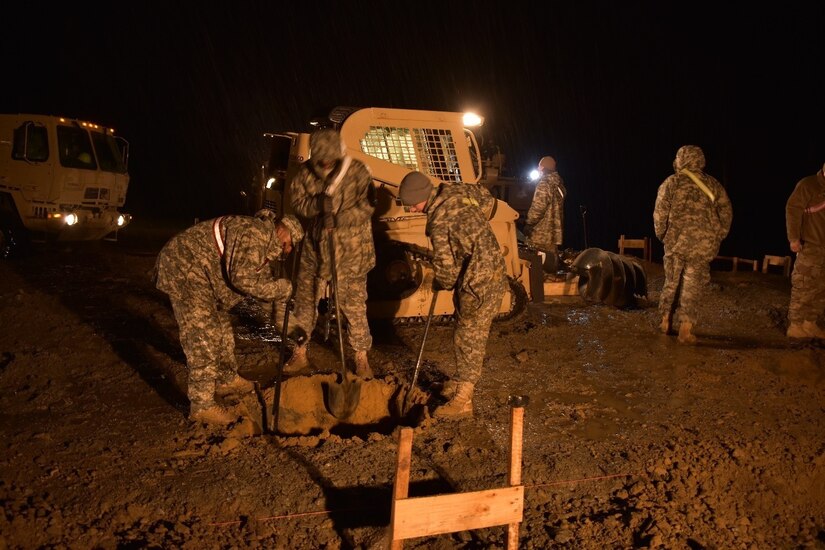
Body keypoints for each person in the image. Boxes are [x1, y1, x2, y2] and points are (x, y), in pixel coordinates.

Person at [155, 211, 304, 426]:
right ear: (282, 230)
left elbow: (265, 293)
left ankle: (226, 379)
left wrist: (293, 328)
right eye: (290, 243)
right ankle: (202, 405)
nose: (288, 250)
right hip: (185, 267)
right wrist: (283, 288)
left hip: (206, 277)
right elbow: (242, 278)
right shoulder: (254, 233)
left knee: (223, 328)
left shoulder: (263, 249)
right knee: (203, 335)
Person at [397, 171, 506, 418]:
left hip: (480, 279)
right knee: (463, 328)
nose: (412, 210)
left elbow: (446, 272)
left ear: (422, 197)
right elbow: (487, 198)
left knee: (470, 335)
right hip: (487, 268)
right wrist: (473, 232)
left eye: (412, 205)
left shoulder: (439, 221)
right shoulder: (456, 190)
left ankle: (464, 399)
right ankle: (459, 380)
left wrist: (439, 282)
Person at [284, 129, 376, 378]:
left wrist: (338, 217)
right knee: (304, 302)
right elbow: (298, 202)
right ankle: (300, 352)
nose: (325, 164)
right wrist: (315, 206)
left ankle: (360, 357)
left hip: (351, 252)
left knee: (353, 306)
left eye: (330, 159)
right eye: (320, 160)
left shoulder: (358, 171)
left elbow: (368, 206)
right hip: (315, 250)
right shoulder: (305, 174)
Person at [654, 145, 733, 344]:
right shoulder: (713, 185)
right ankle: (686, 330)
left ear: (680, 160)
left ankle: (666, 321)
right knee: (692, 285)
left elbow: (660, 213)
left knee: (671, 281)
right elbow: (726, 212)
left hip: (676, 242)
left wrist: (663, 235)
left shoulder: (671, 183)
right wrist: (717, 235)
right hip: (702, 246)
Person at [785, 162, 825, 339]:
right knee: (803, 285)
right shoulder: (808, 184)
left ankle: (810, 323)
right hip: (811, 245)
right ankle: (795, 325)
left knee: (821, 288)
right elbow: (793, 210)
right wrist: (794, 238)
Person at [523, 156, 566, 273]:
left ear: (542, 167)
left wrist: (528, 223)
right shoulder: (558, 185)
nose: (537, 168)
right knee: (551, 265)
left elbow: (538, 208)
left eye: (538, 166)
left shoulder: (544, 183)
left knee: (536, 268)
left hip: (540, 235)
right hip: (553, 235)